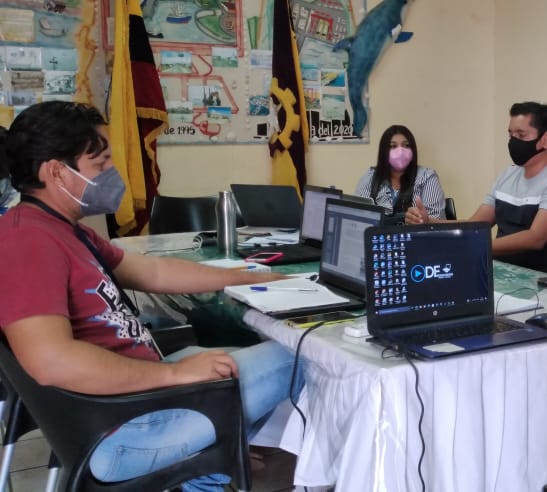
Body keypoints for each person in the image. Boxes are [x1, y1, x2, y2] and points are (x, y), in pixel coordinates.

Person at [0, 101, 299, 492]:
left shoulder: (62, 229)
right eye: (101, 163)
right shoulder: (28, 241)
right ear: (56, 171)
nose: (112, 172)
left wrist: (247, 277)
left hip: (130, 404)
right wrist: (175, 374)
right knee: (305, 357)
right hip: (122, 429)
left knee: (229, 357)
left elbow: (153, 272)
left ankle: (207, 469)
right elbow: (50, 360)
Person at [404, 102, 547, 275]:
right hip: (501, 272)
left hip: (544, 279)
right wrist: (429, 222)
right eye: (511, 135)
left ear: (545, 140)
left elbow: (536, 238)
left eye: (521, 135)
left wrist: (477, 245)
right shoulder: (508, 174)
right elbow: (476, 225)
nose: (513, 142)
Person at [354, 124, 446, 218]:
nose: (400, 151)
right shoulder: (371, 176)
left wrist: (422, 220)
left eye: (406, 145)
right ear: (384, 151)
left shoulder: (427, 176)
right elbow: (358, 214)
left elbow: (437, 219)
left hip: (416, 228)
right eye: (393, 146)